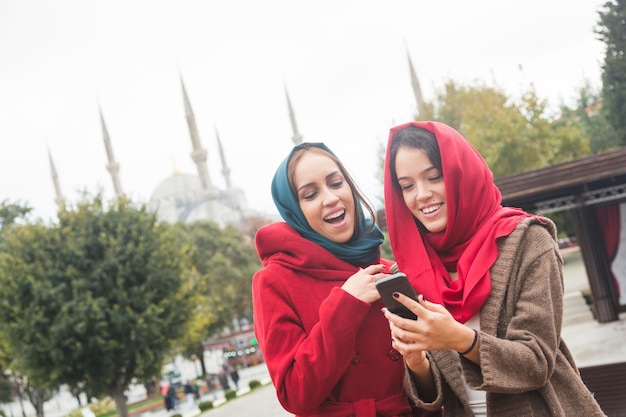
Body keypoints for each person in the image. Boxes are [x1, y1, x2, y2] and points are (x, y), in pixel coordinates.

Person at [381, 121, 606, 416]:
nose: (421, 194)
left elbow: (536, 363)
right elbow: (432, 397)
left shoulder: (528, 240)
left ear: (461, 174)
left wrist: (458, 338)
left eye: (434, 177)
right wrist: (415, 360)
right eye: (407, 185)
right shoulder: (411, 269)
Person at [252, 142, 438, 417]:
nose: (330, 198)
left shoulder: (390, 271)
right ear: (294, 210)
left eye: (336, 183)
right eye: (310, 194)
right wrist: (346, 304)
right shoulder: (275, 281)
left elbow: (432, 382)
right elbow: (295, 395)